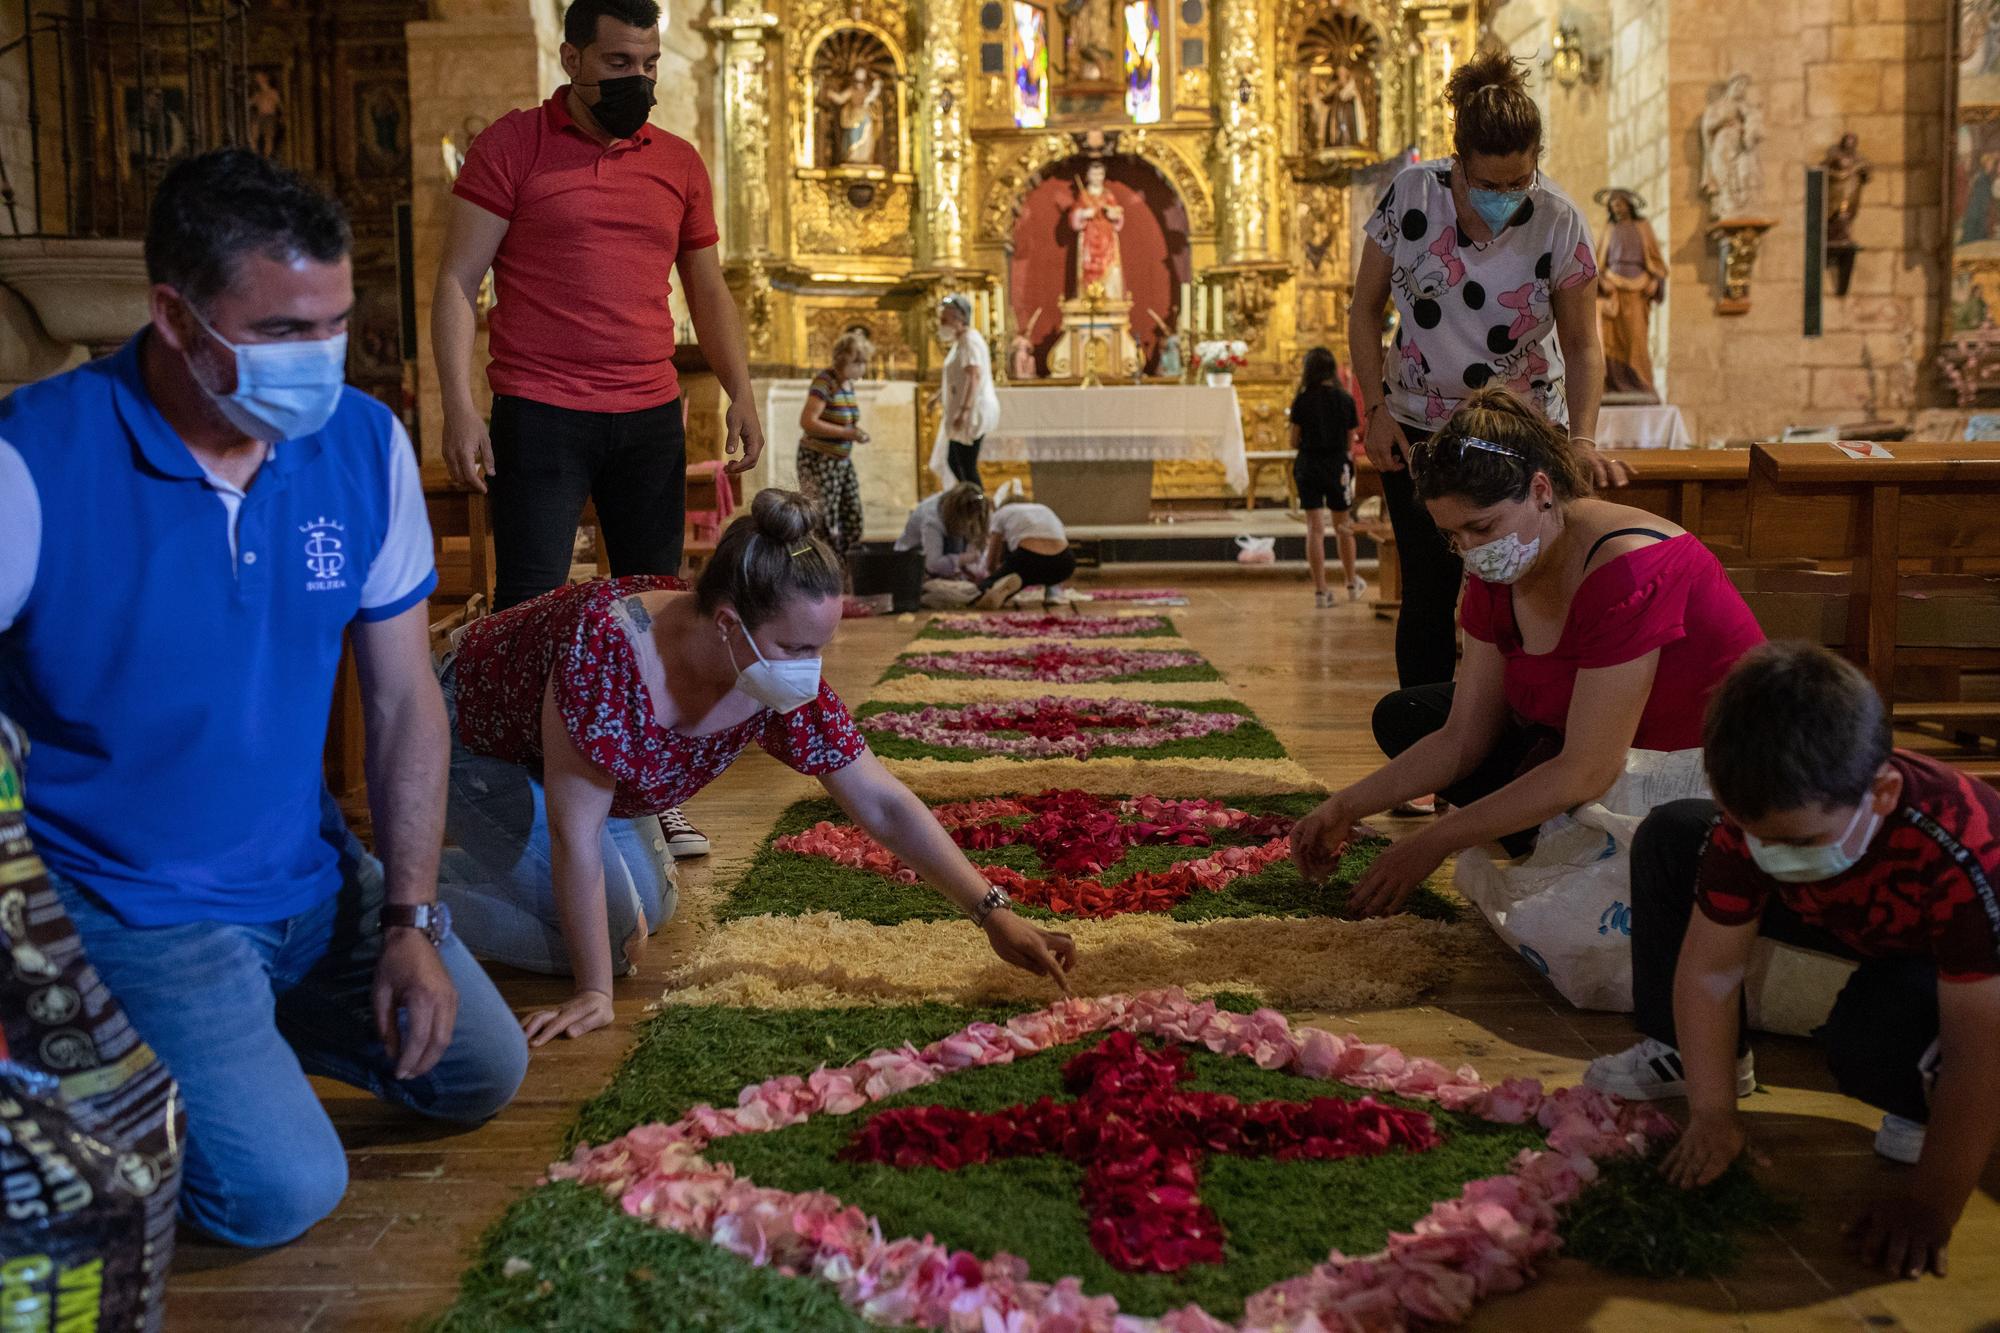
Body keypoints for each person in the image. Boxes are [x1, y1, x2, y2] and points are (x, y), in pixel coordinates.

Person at [0, 149, 528, 1248]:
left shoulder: (360, 443)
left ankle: (215, 1047)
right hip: (133, 901)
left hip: (306, 879)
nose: (318, 362)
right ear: (175, 317)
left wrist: (410, 919)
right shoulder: (33, 460)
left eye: (333, 324)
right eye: (282, 332)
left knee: (481, 1067)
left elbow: (402, 703)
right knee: (278, 1192)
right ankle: (96, 1068)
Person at [440, 490, 1079, 1043]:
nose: (810, 667)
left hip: (584, 771)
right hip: (477, 744)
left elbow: (879, 801)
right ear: (727, 624)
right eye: (797, 647)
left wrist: (991, 911)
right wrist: (595, 994)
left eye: (820, 647)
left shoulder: (762, 667)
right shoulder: (610, 656)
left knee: (649, 915)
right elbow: (573, 836)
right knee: (614, 943)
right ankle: (400, 895)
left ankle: (477, 867)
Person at [433, 0, 762, 861]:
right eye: (619, 63)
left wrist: (742, 390)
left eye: (648, 63)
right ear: (572, 58)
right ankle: (526, 807)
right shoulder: (512, 146)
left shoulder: (678, 161)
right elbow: (456, 281)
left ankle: (653, 793)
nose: (638, 81)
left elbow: (708, 290)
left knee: (655, 612)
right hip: (540, 411)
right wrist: (460, 407)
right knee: (527, 614)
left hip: (648, 412)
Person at [1584, 644, 2000, 1283]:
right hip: (1853, 911)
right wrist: (1715, 1113)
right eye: (1752, 834)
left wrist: (1931, 1203)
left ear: (1882, 793)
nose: (1768, 855)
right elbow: (1711, 971)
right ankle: (1693, 1054)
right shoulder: (1758, 829)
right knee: (1671, 836)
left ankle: (1919, 1100)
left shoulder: (1966, 850)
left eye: (1796, 841)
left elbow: (1980, 1050)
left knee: (1866, 1039)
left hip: (1950, 963)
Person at [1289, 388, 1765, 917]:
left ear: (1541, 490)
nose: (1469, 549)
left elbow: (1588, 768)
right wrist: (1345, 806)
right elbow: (1465, 735)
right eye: (1453, 535)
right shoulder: (1505, 562)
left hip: (1693, 773)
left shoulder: (1628, 567)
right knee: (1411, 715)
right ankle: (1545, 830)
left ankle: (1554, 836)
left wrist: (1435, 841)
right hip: (1589, 749)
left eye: (1481, 527)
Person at [1348, 49, 1624, 695]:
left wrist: (1580, 440)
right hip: (1421, 426)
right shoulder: (1412, 195)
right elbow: (1363, 312)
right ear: (1458, 162)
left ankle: (1525, 741)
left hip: (1523, 429)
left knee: (1526, 583)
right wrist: (1375, 411)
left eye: (1519, 182)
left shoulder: (1558, 220)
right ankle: (1429, 749)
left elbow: (1584, 347)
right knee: (1429, 586)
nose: (1506, 198)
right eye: (1489, 183)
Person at [1289, 346, 1365, 608]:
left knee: (1315, 528)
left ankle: (1321, 591)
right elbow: (1349, 442)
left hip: (1308, 465)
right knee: (1343, 527)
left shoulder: (1302, 399)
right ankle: (1352, 583)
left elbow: (1293, 441)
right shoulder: (1344, 399)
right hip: (1336, 466)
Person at [796, 329, 872, 566]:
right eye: (858, 363)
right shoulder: (824, 381)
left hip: (841, 460)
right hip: (820, 458)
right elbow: (808, 421)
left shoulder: (847, 384)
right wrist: (846, 433)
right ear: (845, 360)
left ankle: (846, 567)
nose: (862, 368)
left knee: (851, 513)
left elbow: (844, 416)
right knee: (824, 518)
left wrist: (855, 432)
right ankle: (821, 569)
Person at [928, 295, 1000, 488]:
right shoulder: (962, 342)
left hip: (972, 411)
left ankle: (978, 506)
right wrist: (937, 396)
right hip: (965, 409)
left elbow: (973, 376)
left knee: (965, 465)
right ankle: (971, 504)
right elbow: (957, 378)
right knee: (956, 462)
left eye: (945, 320)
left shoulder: (969, 341)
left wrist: (964, 410)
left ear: (959, 320)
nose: (941, 325)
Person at [975, 488, 1076, 610]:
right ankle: (1053, 591)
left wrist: (994, 576)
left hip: (1027, 561)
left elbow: (992, 558)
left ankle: (998, 590)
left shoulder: (1002, 512)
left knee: (991, 587)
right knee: (1043, 569)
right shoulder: (1044, 509)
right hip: (1064, 563)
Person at [896, 481, 990, 591]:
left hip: (941, 558)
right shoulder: (932, 519)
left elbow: (975, 541)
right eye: (965, 521)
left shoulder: (969, 509)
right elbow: (932, 564)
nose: (968, 524)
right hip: (912, 561)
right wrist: (966, 559)